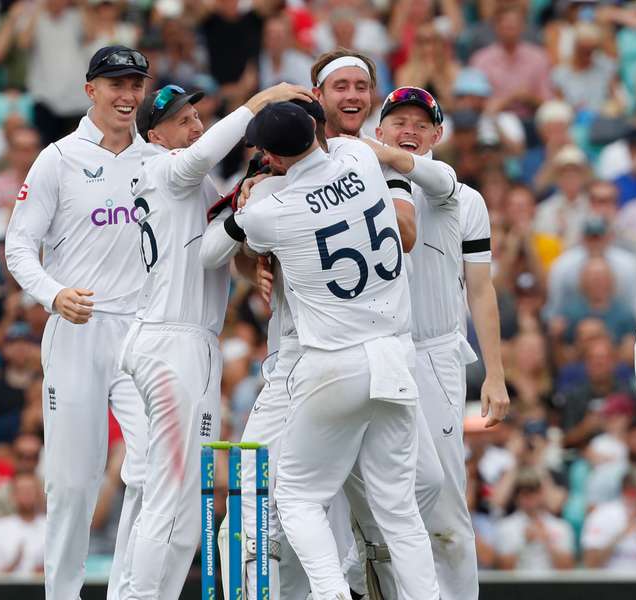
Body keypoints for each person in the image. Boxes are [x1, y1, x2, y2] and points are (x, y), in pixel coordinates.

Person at [233, 101, 440, 600]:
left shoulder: (270, 213)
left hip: (332, 362)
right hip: (393, 356)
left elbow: (245, 227)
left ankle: (329, 595)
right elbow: (352, 149)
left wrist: (254, 183)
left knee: (298, 497)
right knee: (399, 508)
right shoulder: (358, 158)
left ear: (273, 157)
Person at [116, 81, 305, 599]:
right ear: (154, 134)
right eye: (182, 119)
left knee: (184, 500)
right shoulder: (158, 168)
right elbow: (201, 156)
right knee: (170, 493)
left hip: (189, 343)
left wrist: (258, 262)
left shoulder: (190, 183)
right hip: (170, 341)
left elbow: (220, 247)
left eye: (197, 116)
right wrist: (261, 102)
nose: (195, 126)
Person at [4, 45, 151, 600]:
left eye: (135, 84)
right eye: (115, 84)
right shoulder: (58, 158)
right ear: (91, 90)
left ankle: (126, 592)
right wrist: (53, 293)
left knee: (156, 466)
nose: (127, 95)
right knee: (71, 483)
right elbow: (19, 247)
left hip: (139, 334)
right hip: (77, 330)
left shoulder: (155, 162)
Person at [356, 86, 508, 600]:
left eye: (422, 124)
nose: (409, 131)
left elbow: (481, 290)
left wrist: (496, 373)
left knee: (444, 498)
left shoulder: (462, 197)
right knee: (379, 490)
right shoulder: (358, 190)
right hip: (374, 352)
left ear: (438, 135)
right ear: (380, 131)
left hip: (437, 353)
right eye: (398, 122)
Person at [200, 96, 327, 600]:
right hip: (297, 354)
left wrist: (250, 210)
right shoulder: (354, 166)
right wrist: (258, 258)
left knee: (286, 497)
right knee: (273, 496)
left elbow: (214, 249)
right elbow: (241, 263)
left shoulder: (280, 188)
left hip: (315, 356)